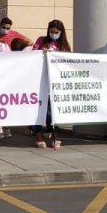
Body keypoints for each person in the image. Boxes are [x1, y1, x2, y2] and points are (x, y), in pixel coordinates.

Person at [31, 20, 70, 148]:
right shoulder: (41, 40)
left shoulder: (64, 45)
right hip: (41, 79)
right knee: (39, 107)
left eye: (56, 32)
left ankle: (54, 135)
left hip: (55, 81)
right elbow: (32, 55)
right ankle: (38, 135)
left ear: (61, 32)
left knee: (52, 109)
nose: (53, 34)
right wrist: (41, 52)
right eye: (51, 31)